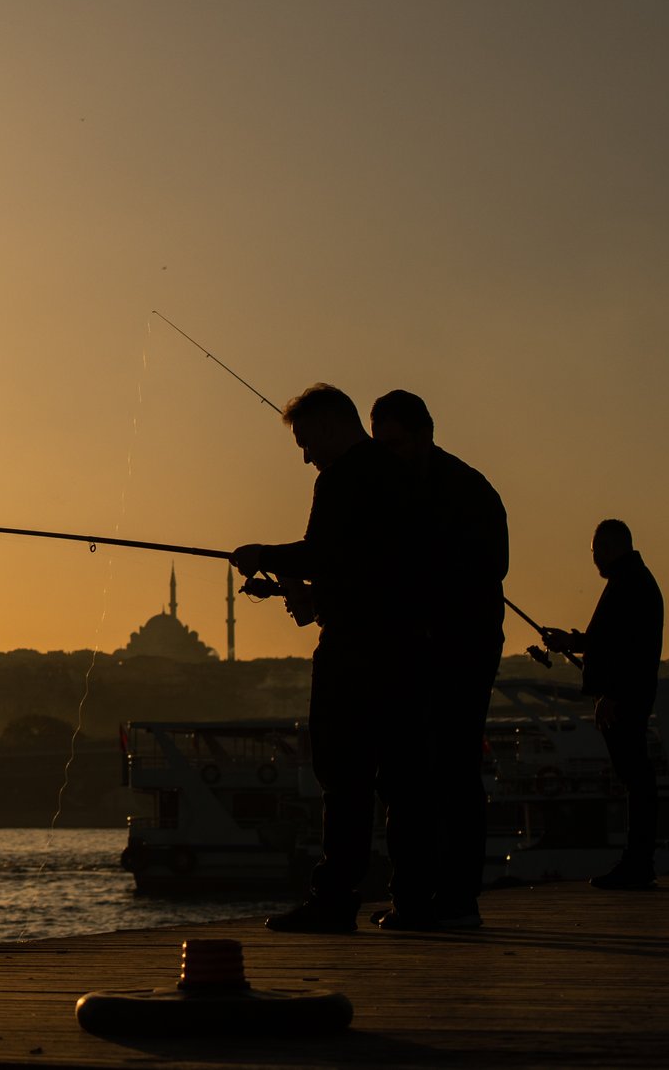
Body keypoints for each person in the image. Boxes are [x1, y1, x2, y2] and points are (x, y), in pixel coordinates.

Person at [231, 383, 427, 933]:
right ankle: (411, 896)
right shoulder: (397, 477)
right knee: (400, 777)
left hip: (357, 649)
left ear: (330, 426)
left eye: (305, 440)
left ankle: (335, 899)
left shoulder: (341, 479)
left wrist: (261, 556)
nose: (304, 454)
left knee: (343, 773)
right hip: (405, 645)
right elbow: (370, 566)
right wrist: (314, 592)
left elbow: (325, 554)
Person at [371, 389, 507, 931]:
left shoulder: (467, 491)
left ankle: (450, 899)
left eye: (397, 444)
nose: (391, 455)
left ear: (425, 434)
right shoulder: (403, 487)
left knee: (447, 771)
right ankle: (420, 897)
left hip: (456, 648)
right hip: (417, 645)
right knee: (409, 774)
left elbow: (487, 567)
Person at [546, 520, 665, 889]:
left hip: (624, 697)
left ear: (612, 547)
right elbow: (608, 641)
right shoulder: (633, 581)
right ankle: (637, 862)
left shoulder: (629, 585)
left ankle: (637, 864)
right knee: (637, 778)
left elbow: (629, 649)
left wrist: (610, 694)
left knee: (636, 779)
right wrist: (571, 641)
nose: (594, 559)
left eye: (596, 550)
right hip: (628, 693)